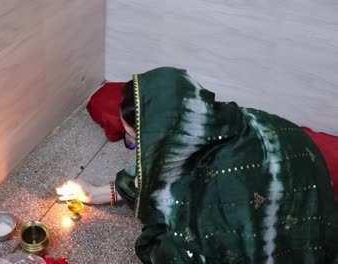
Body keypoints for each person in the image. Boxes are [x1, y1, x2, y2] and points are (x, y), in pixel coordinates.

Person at [56, 67, 338, 263]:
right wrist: (95, 192)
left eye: (135, 142)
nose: (136, 151)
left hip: (290, 238)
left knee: (165, 246)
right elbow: (160, 167)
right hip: (306, 177)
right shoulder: (216, 120)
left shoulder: (218, 182)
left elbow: (164, 180)